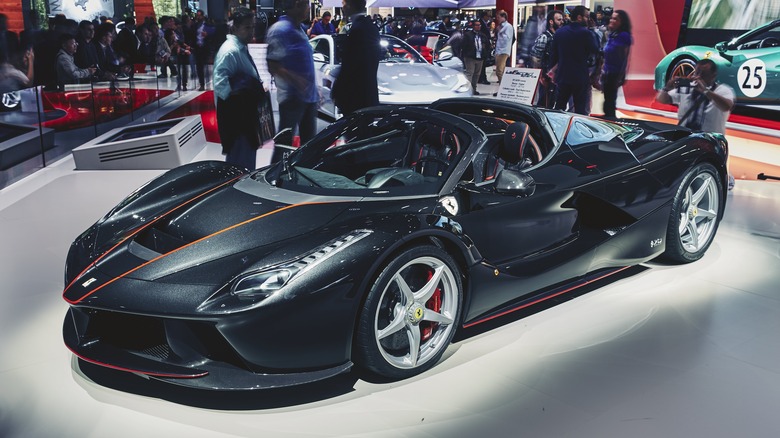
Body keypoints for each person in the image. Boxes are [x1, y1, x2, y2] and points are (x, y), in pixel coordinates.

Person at [213, 7, 266, 170]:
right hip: (238, 121)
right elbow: (220, 85)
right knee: (239, 166)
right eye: (247, 27)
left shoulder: (240, 47)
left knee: (245, 161)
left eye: (252, 27)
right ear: (235, 28)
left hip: (245, 119)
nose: (251, 32)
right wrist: (241, 99)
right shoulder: (230, 51)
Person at [267, 0, 319, 143]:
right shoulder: (280, 30)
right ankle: (278, 166)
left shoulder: (299, 28)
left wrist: (314, 89)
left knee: (309, 146)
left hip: (308, 98)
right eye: (307, 4)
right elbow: (273, 65)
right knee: (283, 146)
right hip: (292, 99)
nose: (309, 8)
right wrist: (297, 80)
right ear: (297, 5)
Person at [656, 58, 735, 134]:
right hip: (685, 135)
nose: (698, 77)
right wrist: (666, 88)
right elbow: (662, 100)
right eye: (697, 73)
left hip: (709, 138)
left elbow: (727, 106)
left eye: (704, 74)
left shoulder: (722, 90)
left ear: (713, 76)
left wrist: (706, 91)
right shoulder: (687, 88)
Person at [331, 0, 381, 116]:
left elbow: (351, 66)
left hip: (357, 97)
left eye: (343, 4)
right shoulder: (369, 27)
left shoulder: (358, 30)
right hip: (366, 94)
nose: (342, 7)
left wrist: (338, 91)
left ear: (349, 5)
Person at [549, 6, 600, 115]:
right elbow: (595, 49)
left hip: (563, 76)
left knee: (559, 107)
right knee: (580, 109)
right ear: (579, 17)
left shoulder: (560, 32)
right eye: (586, 16)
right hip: (580, 77)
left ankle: (555, 129)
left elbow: (553, 55)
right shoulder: (586, 33)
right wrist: (592, 30)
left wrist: (553, 72)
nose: (588, 19)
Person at [600, 10, 633, 118]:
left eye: (615, 19)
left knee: (610, 101)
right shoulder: (613, 34)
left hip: (615, 73)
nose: (612, 20)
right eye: (612, 18)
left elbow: (625, 57)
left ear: (622, 22)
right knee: (607, 99)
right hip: (607, 72)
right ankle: (608, 119)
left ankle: (610, 121)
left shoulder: (624, 36)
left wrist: (621, 76)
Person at [530, 10, 564, 108]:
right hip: (546, 77)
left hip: (557, 76)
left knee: (554, 101)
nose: (562, 22)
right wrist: (541, 76)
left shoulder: (559, 37)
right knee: (544, 103)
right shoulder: (544, 37)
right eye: (559, 20)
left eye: (562, 19)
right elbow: (535, 57)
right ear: (551, 22)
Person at [461, 20, 491, 95]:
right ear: (473, 26)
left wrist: (485, 54)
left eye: (479, 25)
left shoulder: (482, 35)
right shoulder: (467, 35)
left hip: (480, 57)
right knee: (470, 73)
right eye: (477, 25)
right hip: (470, 57)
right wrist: (465, 54)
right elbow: (463, 45)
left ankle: (474, 88)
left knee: (477, 74)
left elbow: (487, 45)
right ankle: (467, 89)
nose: (478, 27)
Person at [493, 10, 514, 95]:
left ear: (503, 17)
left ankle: (502, 90)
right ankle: (503, 88)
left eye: (499, 17)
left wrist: (500, 32)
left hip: (503, 51)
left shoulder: (508, 26)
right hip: (499, 50)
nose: (497, 19)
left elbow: (508, 38)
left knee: (499, 71)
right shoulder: (501, 26)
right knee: (501, 70)